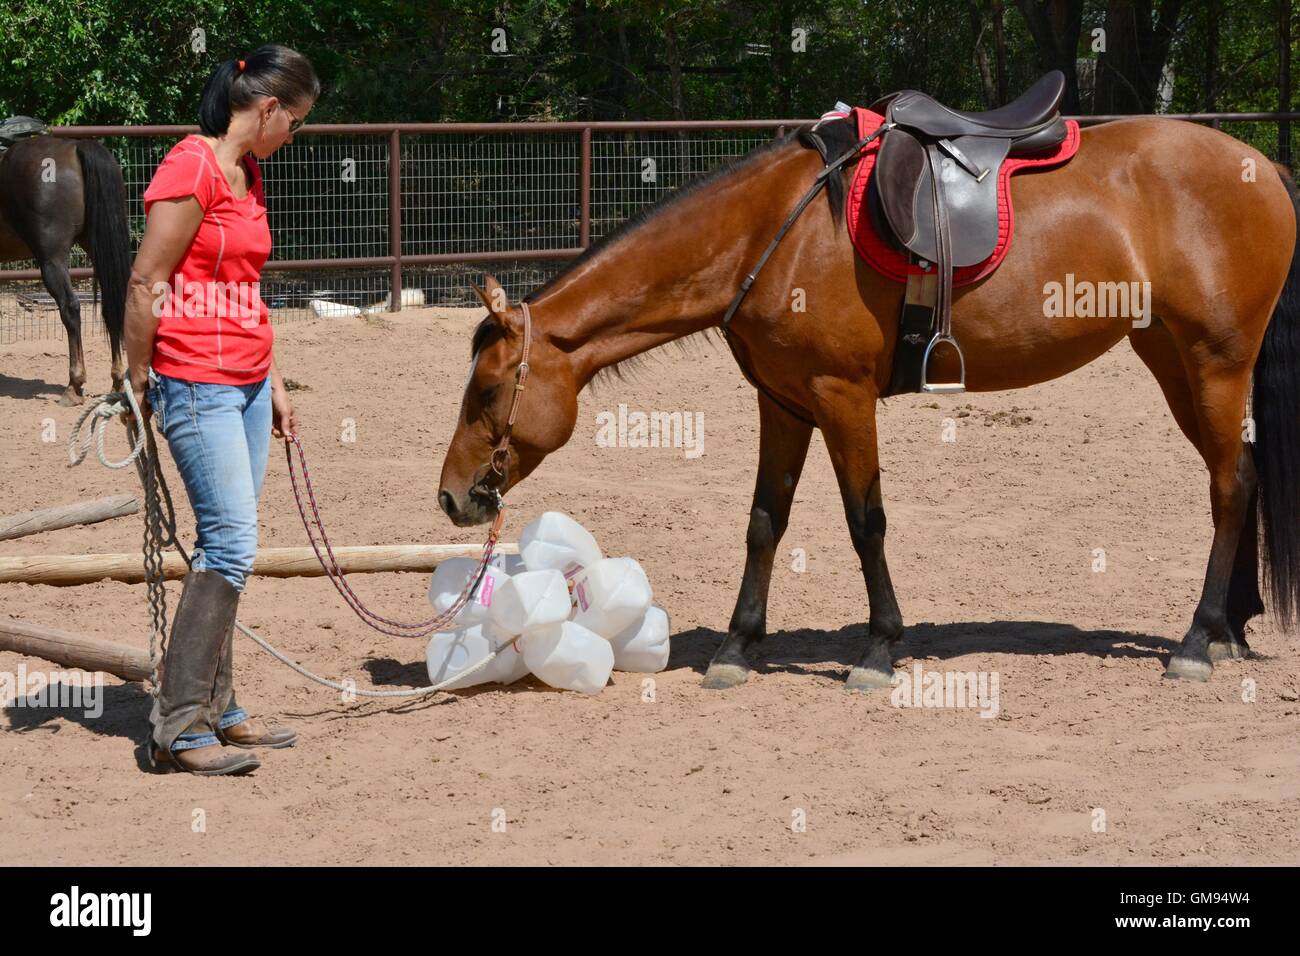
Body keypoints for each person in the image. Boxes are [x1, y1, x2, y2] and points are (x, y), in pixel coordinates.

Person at [123, 45, 320, 775]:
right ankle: (177, 725)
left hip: (243, 382)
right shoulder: (191, 168)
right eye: (294, 121)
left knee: (228, 545)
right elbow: (146, 279)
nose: (293, 136)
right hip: (194, 379)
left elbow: (244, 283)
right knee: (231, 543)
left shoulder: (248, 172)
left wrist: (273, 380)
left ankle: (219, 708)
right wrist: (136, 379)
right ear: (267, 107)